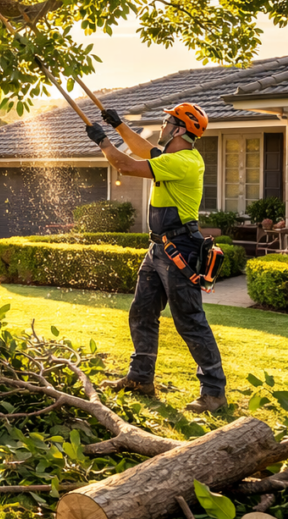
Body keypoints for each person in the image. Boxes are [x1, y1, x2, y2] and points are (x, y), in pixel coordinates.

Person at [84, 102, 227, 413]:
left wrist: (103, 142)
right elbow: (145, 149)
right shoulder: (171, 158)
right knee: (142, 313)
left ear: (178, 129)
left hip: (181, 251)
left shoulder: (186, 162)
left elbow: (126, 165)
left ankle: (214, 392)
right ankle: (140, 378)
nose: (162, 125)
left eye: (167, 121)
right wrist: (118, 125)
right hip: (159, 248)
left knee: (190, 321)